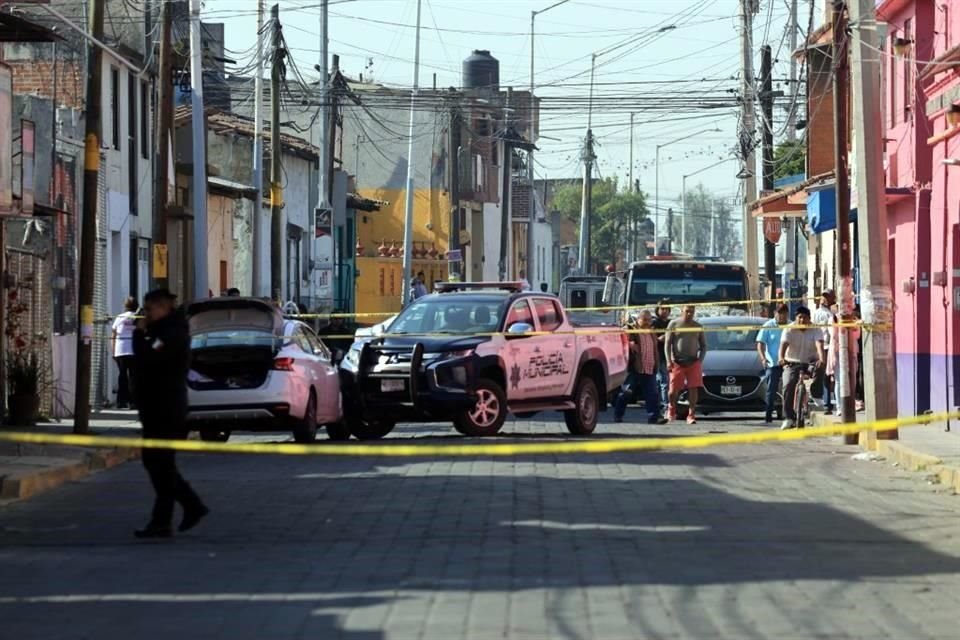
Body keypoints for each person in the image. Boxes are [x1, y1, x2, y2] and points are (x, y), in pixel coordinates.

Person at [131, 289, 208, 539]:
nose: (146, 315)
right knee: (158, 464)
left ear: (163, 308)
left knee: (159, 463)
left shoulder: (171, 333)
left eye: (149, 309)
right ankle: (164, 520)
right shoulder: (162, 331)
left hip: (165, 408)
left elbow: (148, 356)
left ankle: (190, 506)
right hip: (155, 406)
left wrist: (138, 334)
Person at [614, 310, 668, 424]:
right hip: (635, 368)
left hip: (649, 367)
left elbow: (655, 349)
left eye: (649, 320)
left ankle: (654, 417)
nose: (647, 322)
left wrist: (657, 364)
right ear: (638, 319)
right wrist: (630, 344)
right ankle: (618, 414)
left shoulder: (652, 332)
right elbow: (621, 339)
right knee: (626, 392)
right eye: (645, 320)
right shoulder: (631, 330)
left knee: (652, 394)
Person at [777, 306, 826, 430]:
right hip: (792, 362)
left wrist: (822, 359)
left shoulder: (816, 329)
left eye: (805, 318)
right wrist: (781, 358)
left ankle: (816, 394)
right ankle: (788, 418)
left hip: (810, 361)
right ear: (795, 318)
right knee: (787, 384)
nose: (802, 320)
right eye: (799, 317)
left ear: (810, 319)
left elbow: (819, 345)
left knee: (820, 367)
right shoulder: (789, 329)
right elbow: (783, 345)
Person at [665, 304, 707, 424]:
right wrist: (668, 360)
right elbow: (667, 344)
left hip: (693, 362)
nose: (689, 314)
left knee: (693, 388)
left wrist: (700, 360)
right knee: (673, 390)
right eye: (687, 311)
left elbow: (703, 345)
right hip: (677, 361)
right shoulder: (674, 324)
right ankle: (671, 409)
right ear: (682, 311)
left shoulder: (698, 326)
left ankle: (691, 414)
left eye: (691, 312)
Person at [756, 303, 789, 423]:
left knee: (789, 387)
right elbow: (760, 344)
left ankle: (788, 414)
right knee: (771, 388)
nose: (782, 316)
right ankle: (769, 414)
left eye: (784, 313)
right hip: (773, 363)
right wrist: (763, 359)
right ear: (775, 313)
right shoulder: (768, 325)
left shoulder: (791, 326)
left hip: (788, 362)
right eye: (779, 313)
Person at [827, 309, 861, 417]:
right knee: (839, 380)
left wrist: (853, 326)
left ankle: (850, 405)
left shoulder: (854, 319)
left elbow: (857, 335)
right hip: (838, 352)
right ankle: (839, 406)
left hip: (851, 352)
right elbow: (834, 335)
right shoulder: (833, 319)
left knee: (852, 380)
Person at [111, 297, 138, 409]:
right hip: (134, 350)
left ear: (125, 306)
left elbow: (113, 335)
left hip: (120, 350)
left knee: (122, 376)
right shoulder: (138, 318)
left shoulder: (120, 317)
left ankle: (121, 401)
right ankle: (133, 402)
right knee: (133, 376)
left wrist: (113, 351)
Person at [812, 289, 836, 413]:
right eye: (824, 297)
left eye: (828, 297)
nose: (825, 299)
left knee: (830, 376)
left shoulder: (833, 313)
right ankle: (826, 403)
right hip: (822, 347)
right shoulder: (818, 313)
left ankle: (830, 402)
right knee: (825, 375)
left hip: (831, 346)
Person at [652, 301, 672, 409]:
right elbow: (651, 337)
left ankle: (659, 402)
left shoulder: (671, 323)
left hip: (668, 355)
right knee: (662, 380)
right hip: (658, 354)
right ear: (657, 310)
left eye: (666, 309)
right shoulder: (654, 323)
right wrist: (660, 338)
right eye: (662, 309)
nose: (664, 311)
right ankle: (665, 404)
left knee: (662, 380)